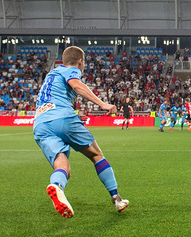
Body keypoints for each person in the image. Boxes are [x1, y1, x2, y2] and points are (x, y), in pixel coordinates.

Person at [33, 46, 128, 218]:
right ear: (80, 61)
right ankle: (116, 198)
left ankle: (56, 186)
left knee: (63, 166)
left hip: (40, 123)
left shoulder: (51, 74)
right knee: (96, 155)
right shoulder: (70, 70)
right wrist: (102, 104)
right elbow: (76, 85)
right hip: (61, 117)